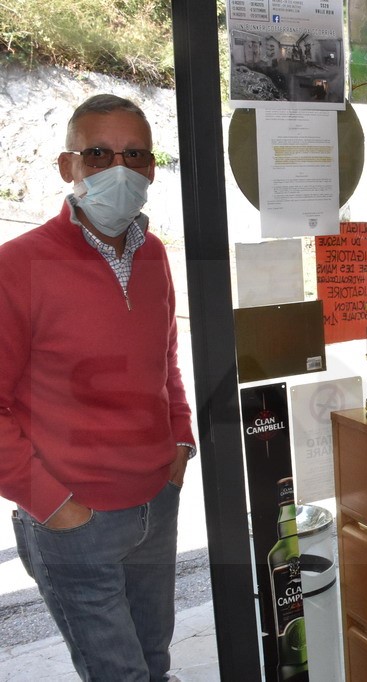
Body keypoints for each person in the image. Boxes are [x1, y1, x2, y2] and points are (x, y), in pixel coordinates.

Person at [0, 94, 196, 681]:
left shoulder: (153, 254)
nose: (119, 169)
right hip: (75, 520)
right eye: (98, 154)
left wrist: (180, 442)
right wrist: (53, 505)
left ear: (152, 168)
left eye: (135, 155)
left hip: (156, 503)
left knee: (155, 664)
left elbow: (164, 359)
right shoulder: (17, 266)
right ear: (69, 166)